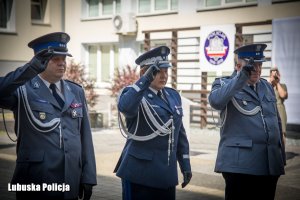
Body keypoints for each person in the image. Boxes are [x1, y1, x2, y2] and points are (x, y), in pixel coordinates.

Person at [0, 32, 97, 200]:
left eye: (64, 59)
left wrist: (88, 175)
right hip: (36, 181)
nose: (62, 64)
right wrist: (29, 69)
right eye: (55, 59)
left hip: (71, 180)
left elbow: (85, 136)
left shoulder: (75, 91)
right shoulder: (22, 89)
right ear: (40, 61)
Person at [114, 46, 192, 200]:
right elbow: (126, 107)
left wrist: (185, 164)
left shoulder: (173, 95)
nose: (164, 75)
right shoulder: (134, 94)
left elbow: (179, 133)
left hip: (166, 175)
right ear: (145, 73)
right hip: (140, 174)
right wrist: (144, 80)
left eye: (166, 71)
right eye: (158, 71)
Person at [209, 44, 285, 200]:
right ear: (238, 66)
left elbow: (275, 121)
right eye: (252, 65)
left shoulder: (266, 86)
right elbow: (216, 101)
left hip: (269, 164)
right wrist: (241, 77)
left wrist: (280, 155)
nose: (257, 69)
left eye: (260, 64)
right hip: (241, 167)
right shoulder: (224, 84)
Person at [268, 67, 288, 145]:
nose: (275, 76)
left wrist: (277, 83)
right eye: (273, 74)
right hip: (270, 111)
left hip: (280, 111)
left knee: (282, 133)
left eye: (276, 73)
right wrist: (271, 81)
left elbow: (283, 95)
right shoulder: (268, 85)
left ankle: (282, 153)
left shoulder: (282, 85)